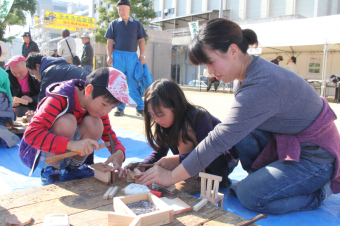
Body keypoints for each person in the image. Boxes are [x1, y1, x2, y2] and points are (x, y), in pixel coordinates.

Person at [139, 18, 340, 215]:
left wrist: (173, 176)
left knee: (250, 196)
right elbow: (230, 132)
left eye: (210, 62)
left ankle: (320, 192)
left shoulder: (261, 84)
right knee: (241, 135)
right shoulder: (243, 78)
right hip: (288, 144)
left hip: (315, 158)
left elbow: (219, 139)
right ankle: (265, 180)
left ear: (233, 51)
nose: (209, 72)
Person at [19, 67, 137, 185]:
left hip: (66, 154)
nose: (106, 111)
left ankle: (74, 168)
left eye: (112, 107)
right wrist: (70, 144)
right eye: (104, 104)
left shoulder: (98, 110)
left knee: (95, 123)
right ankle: (51, 170)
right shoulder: (60, 98)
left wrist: (119, 152)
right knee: (67, 122)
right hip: (41, 154)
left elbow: (110, 136)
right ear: (89, 90)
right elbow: (31, 135)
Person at [124, 79, 238, 194]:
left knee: (183, 132)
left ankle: (197, 179)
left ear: (176, 106)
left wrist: (176, 159)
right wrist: (143, 165)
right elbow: (158, 152)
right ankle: (192, 175)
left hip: (220, 164)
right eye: (152, 115)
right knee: (164, 167)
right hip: (197, 161)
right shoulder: (165, 122)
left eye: (160, 114)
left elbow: (209, 154)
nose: (157, 120)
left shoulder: (198, 117)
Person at [105, 0, 148, 117]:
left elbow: (142, 40)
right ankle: (120, 107)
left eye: (123, 9)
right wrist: (109, 55)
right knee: (119, 82)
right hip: (117, 56)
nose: (121, 12)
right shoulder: (114, 24)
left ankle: (139, 107)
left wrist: (142, 55)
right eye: (119, 10)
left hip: (132, 57)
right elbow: (109, 40)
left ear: (129, 9)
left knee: (133, 82)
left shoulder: (137, 24)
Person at [25, 52, 90, 102]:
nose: (35, 78)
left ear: (37, 66)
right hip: (92, 92)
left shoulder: (50, 72)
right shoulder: (62, 65)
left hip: (89, 97)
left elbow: (43, 103)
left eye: (33, 73)